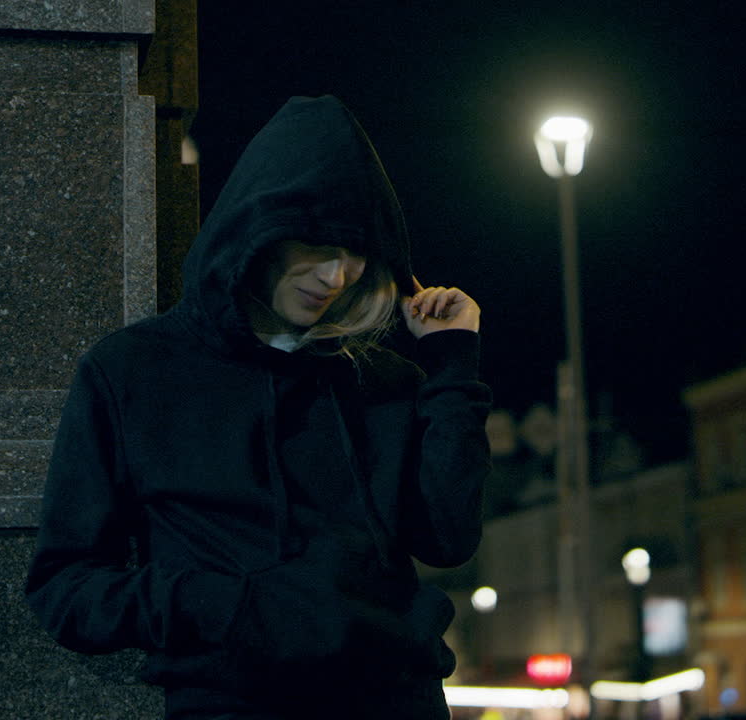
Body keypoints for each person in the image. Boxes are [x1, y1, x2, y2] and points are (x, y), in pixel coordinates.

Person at [25, 95, 492, 719]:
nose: (337, 274)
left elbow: (447, 538)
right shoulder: (135, 369)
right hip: (231, 703)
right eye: (314, 243)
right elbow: (65, 587)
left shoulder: (381, 382)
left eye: (356, 251)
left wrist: (453, 364)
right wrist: (225, 607)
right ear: (258, 228)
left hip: (398, 700)